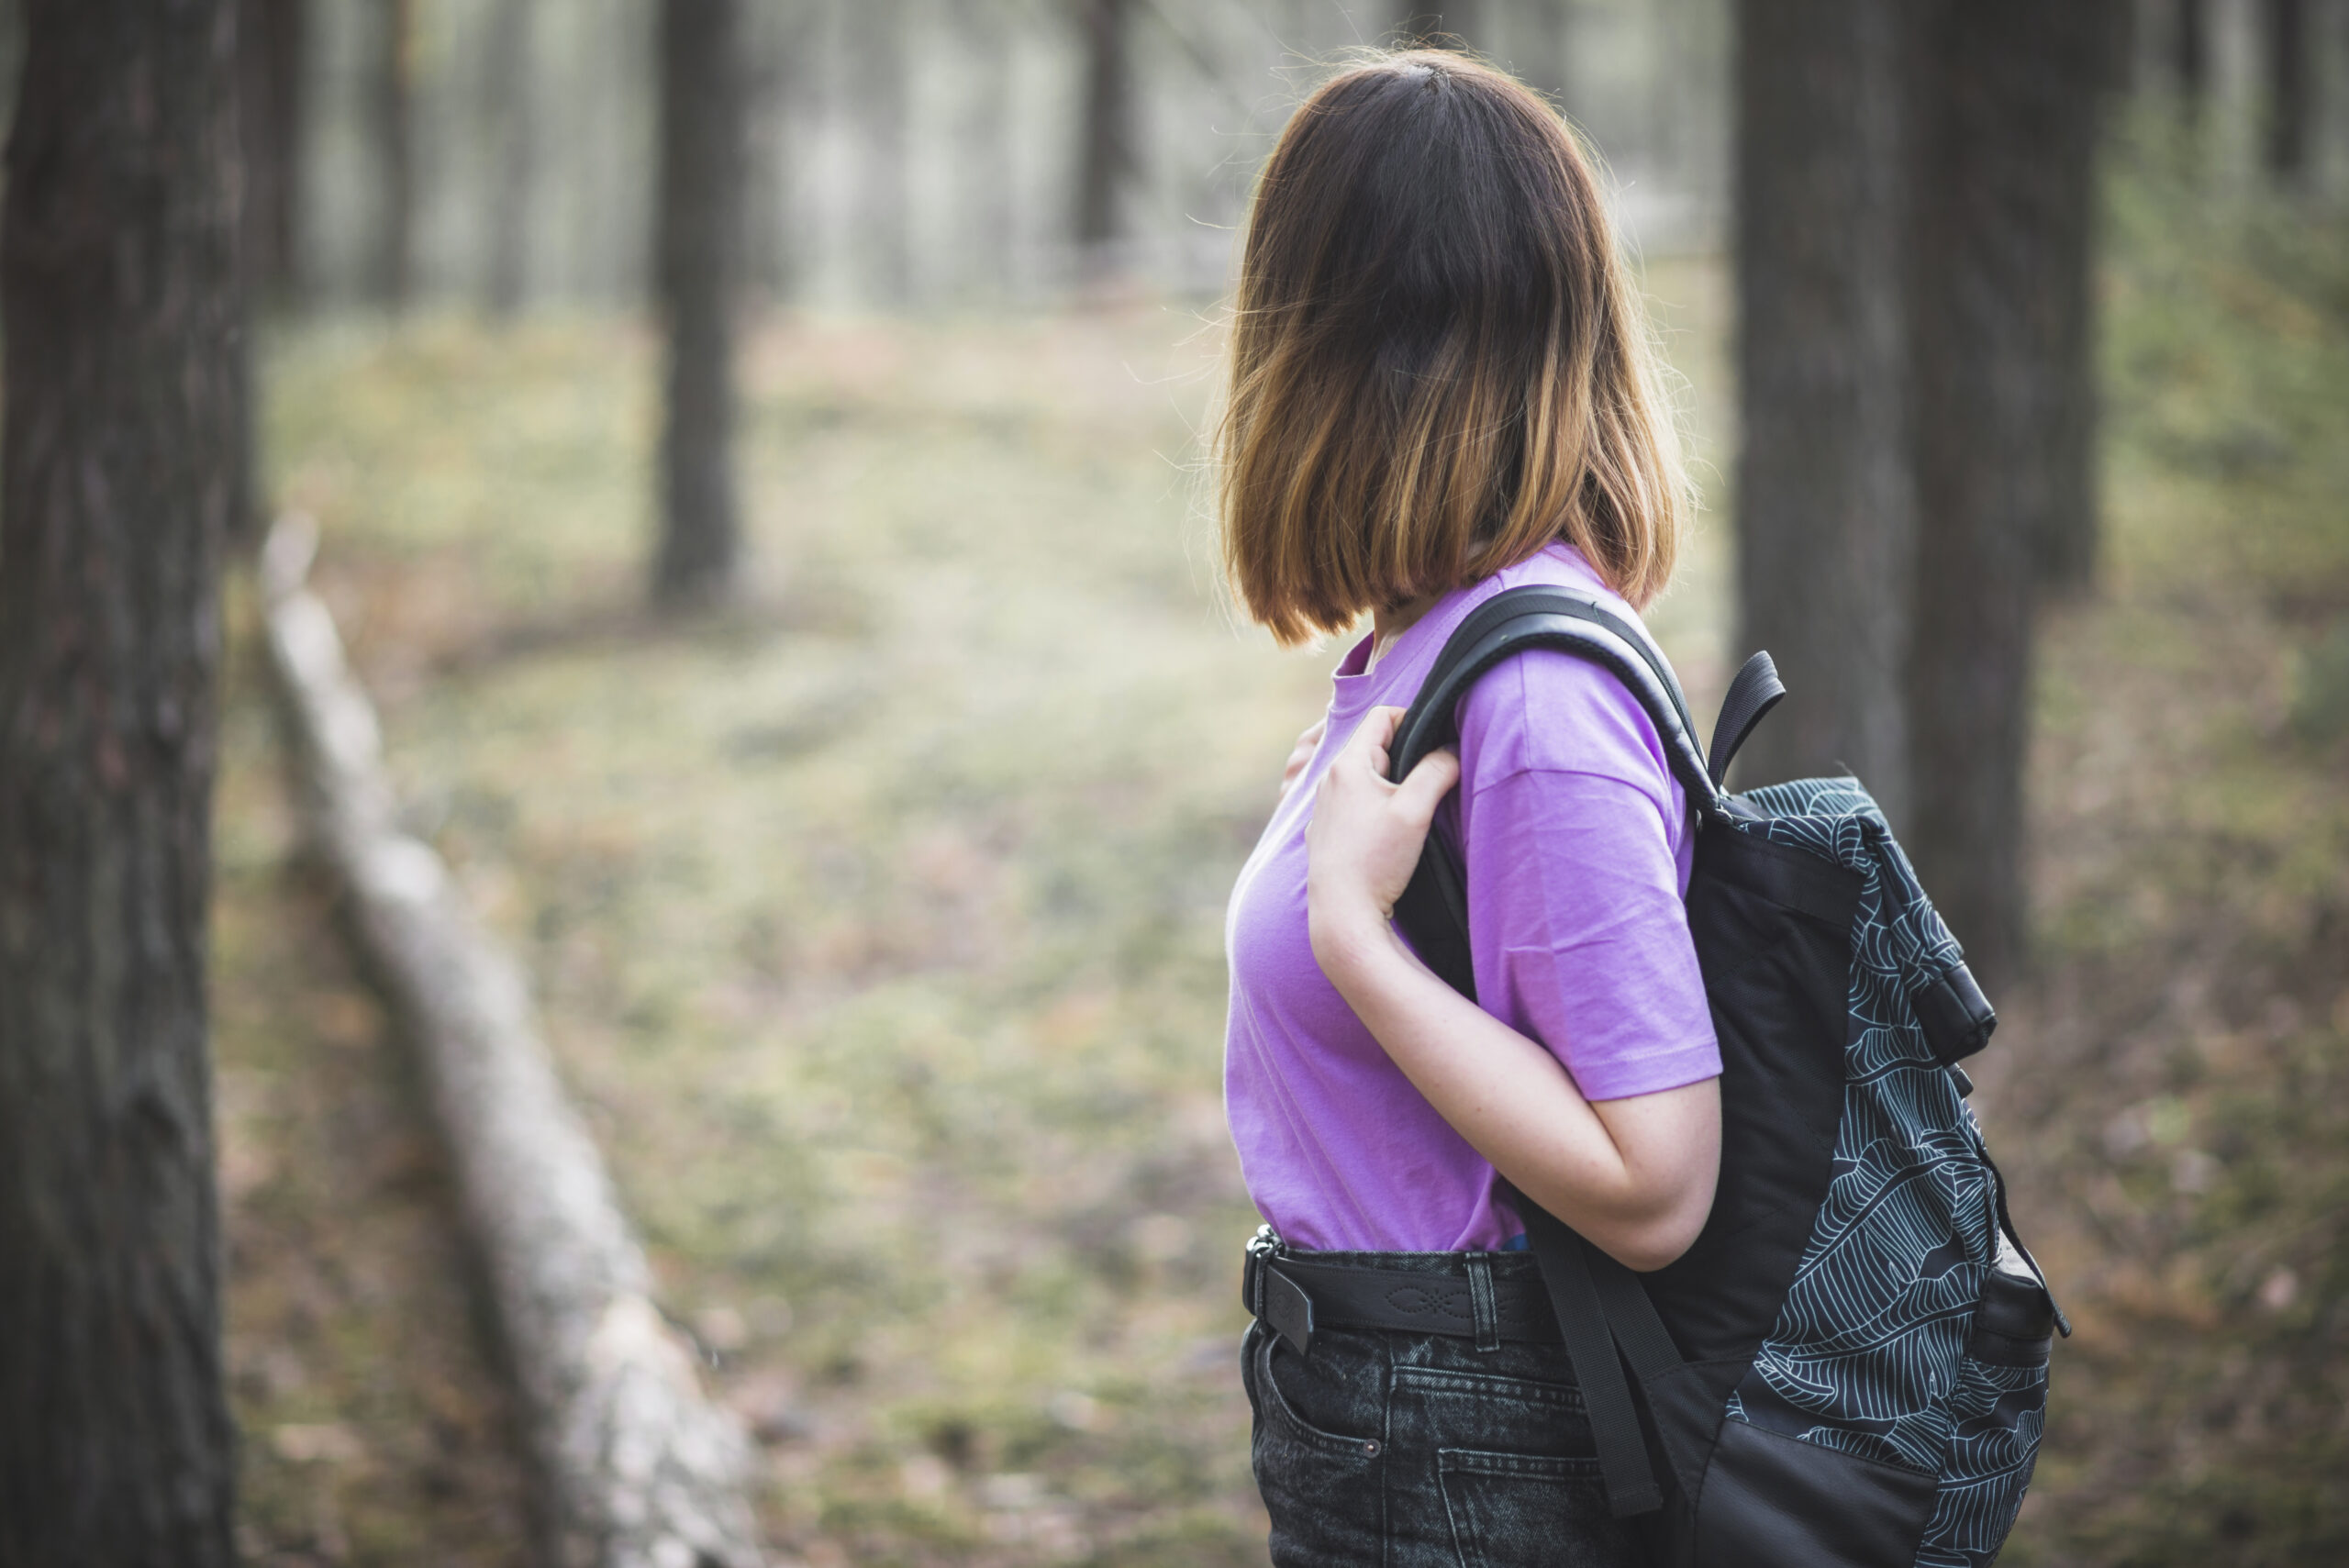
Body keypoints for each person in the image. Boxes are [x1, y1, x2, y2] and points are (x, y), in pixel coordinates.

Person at [1218, 50, 1722, 1566]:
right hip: (1381, 1410)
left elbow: (1658, 1182)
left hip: (1464, 1451)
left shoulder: (1538, 707)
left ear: (1341, 345)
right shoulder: (1424, 642)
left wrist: (1355, 938)